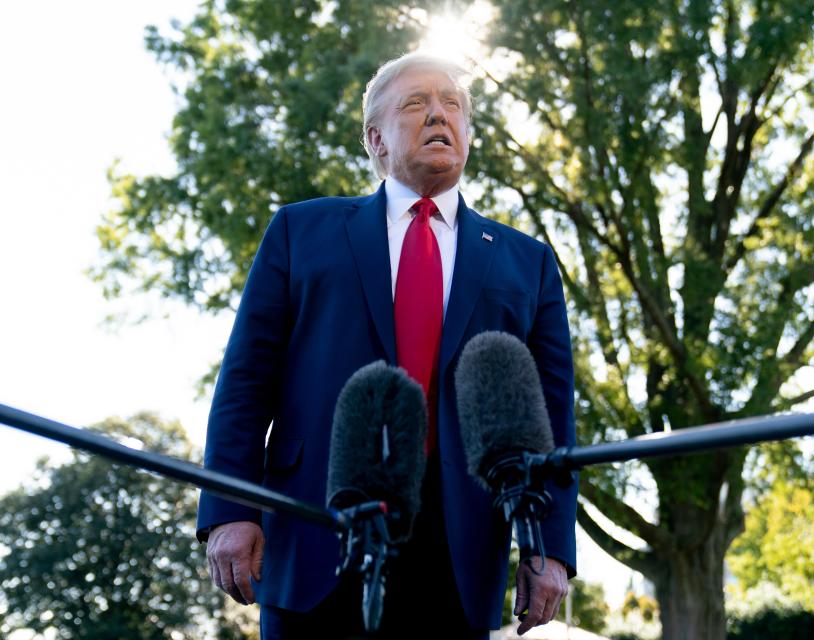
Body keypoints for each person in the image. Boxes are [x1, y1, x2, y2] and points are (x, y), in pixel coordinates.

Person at [196, 52, 578, 639]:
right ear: (375, 139)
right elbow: (247, 382)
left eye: (452, 104)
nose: (438, 115)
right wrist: (230, 509)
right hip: (317, 522)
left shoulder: (528, 261)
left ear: (468, 135)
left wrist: (547, 547)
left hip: (460, 548)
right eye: (415, 104)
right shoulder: (301, 232)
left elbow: (552, 419)